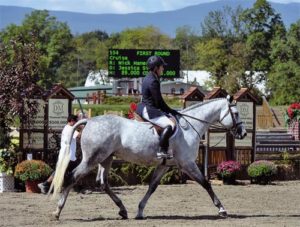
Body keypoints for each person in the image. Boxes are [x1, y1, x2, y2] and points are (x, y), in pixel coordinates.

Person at [136, 55, 180, 159]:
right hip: (149, 109)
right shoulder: (153, 81)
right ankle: (162, 150)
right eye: (161, 66)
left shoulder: (148, 77)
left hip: (143, 107)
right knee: (170, 125)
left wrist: (168, 111)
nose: (163, 68)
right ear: (156, 68)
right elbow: (159, 101)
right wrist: (171, 111)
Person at [38, 114, 80, 194]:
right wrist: (83, 128)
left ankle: (48, 184)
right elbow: (79, 136)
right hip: (67, 155)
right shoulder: (70, 129)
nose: (76, 123)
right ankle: (47, 184)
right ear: (71, 121)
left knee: (64, 171)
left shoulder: (68, 128)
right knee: (64, 171)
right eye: (75, 122)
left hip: (68, 155)